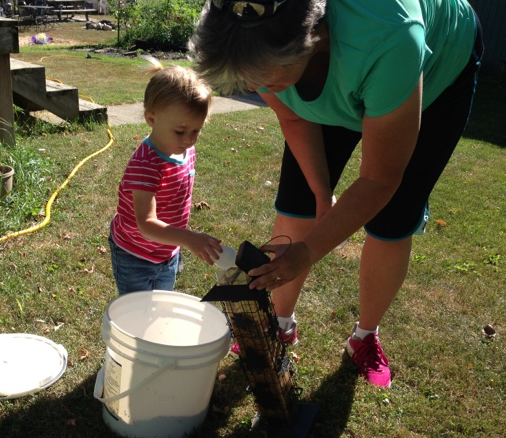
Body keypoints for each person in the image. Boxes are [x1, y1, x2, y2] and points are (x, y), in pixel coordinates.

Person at [190, 0, 483, 387]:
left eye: (262, 77)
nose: (252, 87)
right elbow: (293, 115)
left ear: (312, 37)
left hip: (437, 69)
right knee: (297, 202)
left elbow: (380, 179)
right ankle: (278, 324)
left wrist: (308, 251)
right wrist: (321, 194)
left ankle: (365, 336)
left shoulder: (390, 37)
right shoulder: (257, 41)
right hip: (349, 60)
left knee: (393, 218)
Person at [109, 59, 223, 295]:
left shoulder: (186, 150)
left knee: (160, 304)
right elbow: (146, 224)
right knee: (137, 310)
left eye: (196, 130)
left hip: (168, 250)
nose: (189, 139)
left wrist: (180, 240)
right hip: (135, 254)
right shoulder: (146, 165)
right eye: (180, 131)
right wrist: (188, 238)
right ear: (152, 119)